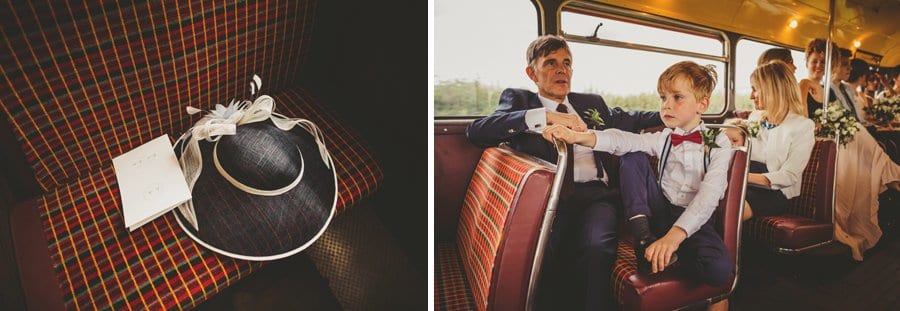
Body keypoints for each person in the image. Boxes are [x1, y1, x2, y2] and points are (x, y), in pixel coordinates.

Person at [466, 35, 662, 310]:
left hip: (596, 195)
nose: (561, 69)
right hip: (549, 200)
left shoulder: (591, 102)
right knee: (545, 251)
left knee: (598, 245)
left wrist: (674, 113)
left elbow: (634, 117)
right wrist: (543, 117)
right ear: (531, 73)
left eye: (567, 63)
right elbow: (476, 132)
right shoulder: (519, 100)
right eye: (551, 63)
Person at [542, 61, 734, 311]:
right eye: (663, 98)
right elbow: (623, 140)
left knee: (720, 271)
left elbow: (709, 195)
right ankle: (643, 238)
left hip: (694, 220)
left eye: (677, 97)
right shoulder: (664, 138)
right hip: (660, 211)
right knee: (632, 154)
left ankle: (670, 255)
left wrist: (674, 238)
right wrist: (579, 136)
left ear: (702, 105)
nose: (666, 105)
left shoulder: (718, 141)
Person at [742, 60, 816, 221]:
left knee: (730, 209)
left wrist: (741, 176)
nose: (750, 96)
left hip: (776, 193)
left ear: (772, 90)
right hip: (744, 184)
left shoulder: (803, 126)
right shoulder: (754, 118)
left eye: (755, 89)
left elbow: (789, 176)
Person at [799, 38, 840, 118]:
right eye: (814, 61)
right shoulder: (798, 88)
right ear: (807, 63)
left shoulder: (830, 92)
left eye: (823, 62)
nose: (818, 65)